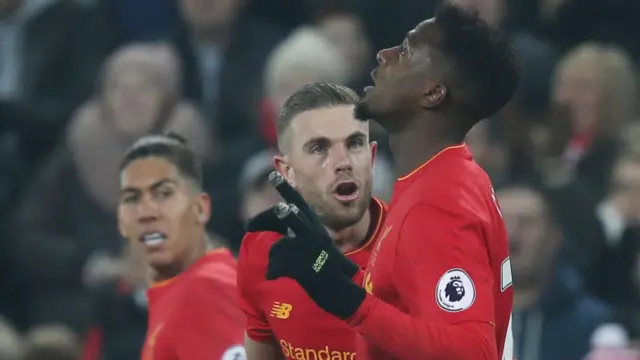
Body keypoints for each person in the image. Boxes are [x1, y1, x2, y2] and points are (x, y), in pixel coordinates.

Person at [247, 2, 519, 359]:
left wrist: (347, 300)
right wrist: (334, 267)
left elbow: (473, 351)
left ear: (433, 93)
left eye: (406, 51)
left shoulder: (439, 201)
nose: (384, 54)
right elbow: (410, 305)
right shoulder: (445, 175)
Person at [238, 82, 387, 360]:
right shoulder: (263, 252)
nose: (343, 162)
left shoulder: (415, 241)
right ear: (287, 172)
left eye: (355, 144)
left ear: (372, 156)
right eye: (319, 148)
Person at [117, 133, 245, 360]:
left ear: (200, 209)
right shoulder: (179, 293)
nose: (147, 212)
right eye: (133, 198)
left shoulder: (208, 288)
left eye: (164, 194)